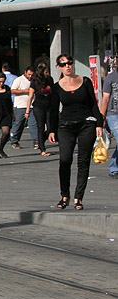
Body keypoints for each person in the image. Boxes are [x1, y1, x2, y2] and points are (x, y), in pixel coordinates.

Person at [48, 54, 103, 211]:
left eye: (70, 63)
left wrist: (99, 123)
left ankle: (78, 197)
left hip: (87, 124)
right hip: (65, 126)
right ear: (59, 67)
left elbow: (93, 103)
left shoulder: (85, 81)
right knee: (65, 160)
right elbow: (53, 110)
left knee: (83, 161)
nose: (68, 66)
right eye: (63, 64)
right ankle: (64, 195)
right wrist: (51, 129)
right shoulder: (57, 87)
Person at [9, 66, 36, 149]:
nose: (30, 76)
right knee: (19, 123)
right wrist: (25, 91)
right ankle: (14, 140)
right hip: (20, 105)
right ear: (25, 72)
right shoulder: (19, 80)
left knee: (33, 124)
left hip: (32, 105)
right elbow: (12, 91)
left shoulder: (34, 80)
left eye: (32, 75)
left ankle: (36, 140)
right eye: (29, 74)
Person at [99, 59, 118, 178]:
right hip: (114, 115)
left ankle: (114, 167)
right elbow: (105, 99)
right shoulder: (110, 78)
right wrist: (101, 118)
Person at [31, 64, 54, 156]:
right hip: (38, 106)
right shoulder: (35, 81)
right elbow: (30, 96)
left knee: (50, 127)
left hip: (49, 106)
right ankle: (42, 149)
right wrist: (28, 110)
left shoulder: (50, 79)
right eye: (46, 72)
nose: (47, 73)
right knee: (40, 127)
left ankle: (40, 141)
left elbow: (53, 92)